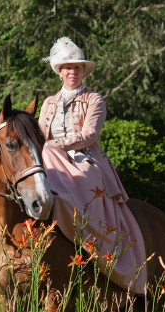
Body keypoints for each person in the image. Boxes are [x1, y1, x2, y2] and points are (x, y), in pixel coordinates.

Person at [39, 37, 148, 294]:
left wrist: (56, 145)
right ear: (60, 72)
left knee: (87, 174)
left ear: (83, 71)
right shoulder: (48, 103)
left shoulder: (94, 100)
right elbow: (40, 136)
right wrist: (48, 148)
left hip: (85, 158)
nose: (72, 72)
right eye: (67, 68)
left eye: (77, 68)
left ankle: (98, 237)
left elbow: (89, 135)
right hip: (51, 157)